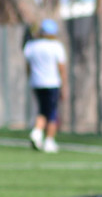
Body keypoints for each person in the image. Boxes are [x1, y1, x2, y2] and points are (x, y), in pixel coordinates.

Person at [24, 18, 67, 153]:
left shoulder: (31, 46)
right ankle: (48, 140)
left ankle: (38, 133)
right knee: (51, 112)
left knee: (43, 109)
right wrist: (64, 86)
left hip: (36, 83)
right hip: (52, 83)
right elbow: (61, 68)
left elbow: (28, 67)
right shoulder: (56, 46)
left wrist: (30, 79)